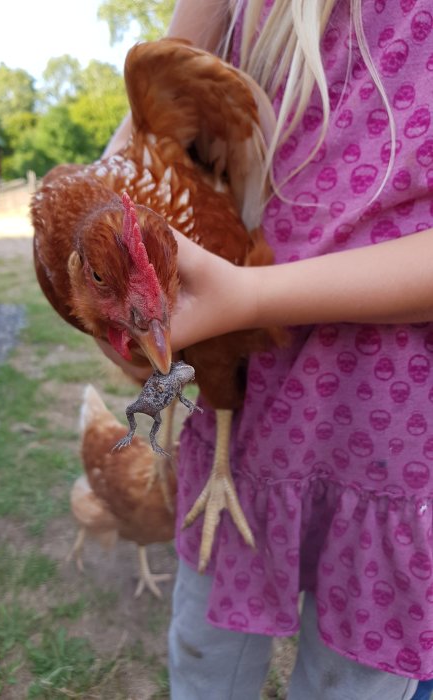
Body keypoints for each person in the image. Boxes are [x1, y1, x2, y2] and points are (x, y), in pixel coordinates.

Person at [105, 0, 433, 697]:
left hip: (392, 437)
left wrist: (250, 299)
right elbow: (136, 144)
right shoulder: (238, 5)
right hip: (247, 422)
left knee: (353, 678)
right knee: (203, 653)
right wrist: (109, 286)